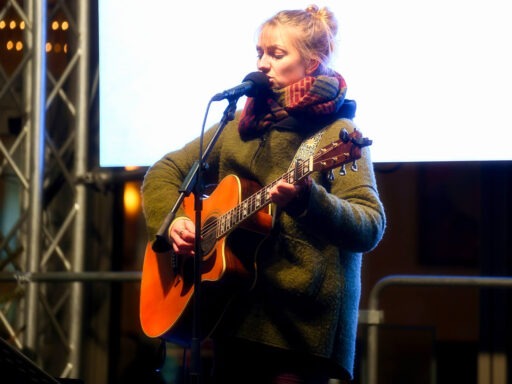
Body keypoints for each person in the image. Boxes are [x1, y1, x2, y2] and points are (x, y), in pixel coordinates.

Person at [141, 4, 386, 383]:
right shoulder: (239, 125)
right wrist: (177, 219)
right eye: (260, 52)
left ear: (310, 64)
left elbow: (369, 225)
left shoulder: (337, 134)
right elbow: (165, 170)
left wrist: (308, 202)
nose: (263, 64)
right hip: (234, 317)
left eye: (276, 53)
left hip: (300, 332)